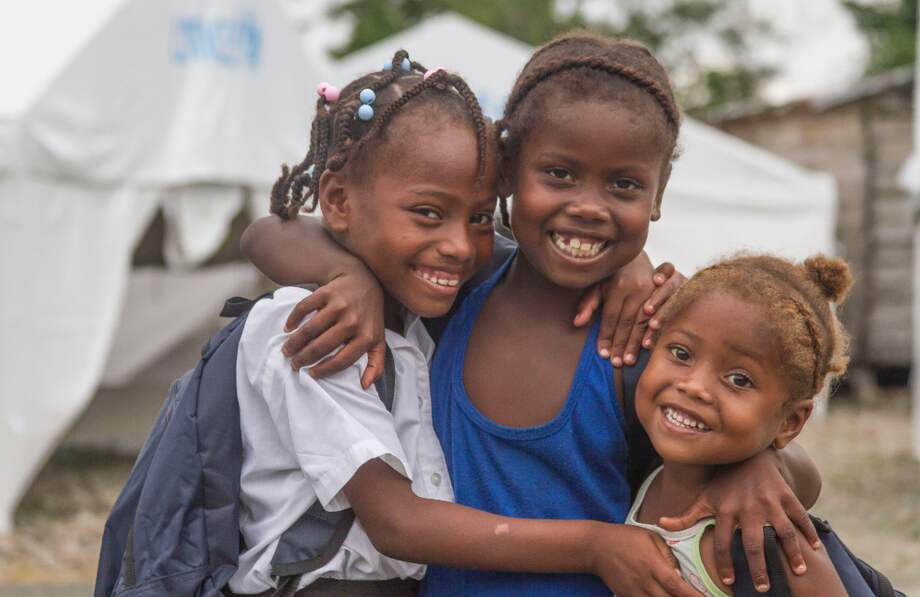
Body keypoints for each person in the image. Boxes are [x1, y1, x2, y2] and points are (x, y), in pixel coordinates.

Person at [242, 33, 822, 595]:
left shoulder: (647, 336)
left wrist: (761, 467)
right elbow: (269, 231)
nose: (588, 207)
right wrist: (348, 276)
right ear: (508, 171)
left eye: (623, 185)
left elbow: (790, 465)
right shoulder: (453, 288)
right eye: (559, 174)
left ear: (658, 192)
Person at [626, 253, 854, 596]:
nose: (694, 387)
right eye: (681, 354)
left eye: (738, 379)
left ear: (789, 422)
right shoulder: (643, 475)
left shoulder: (767, 538)